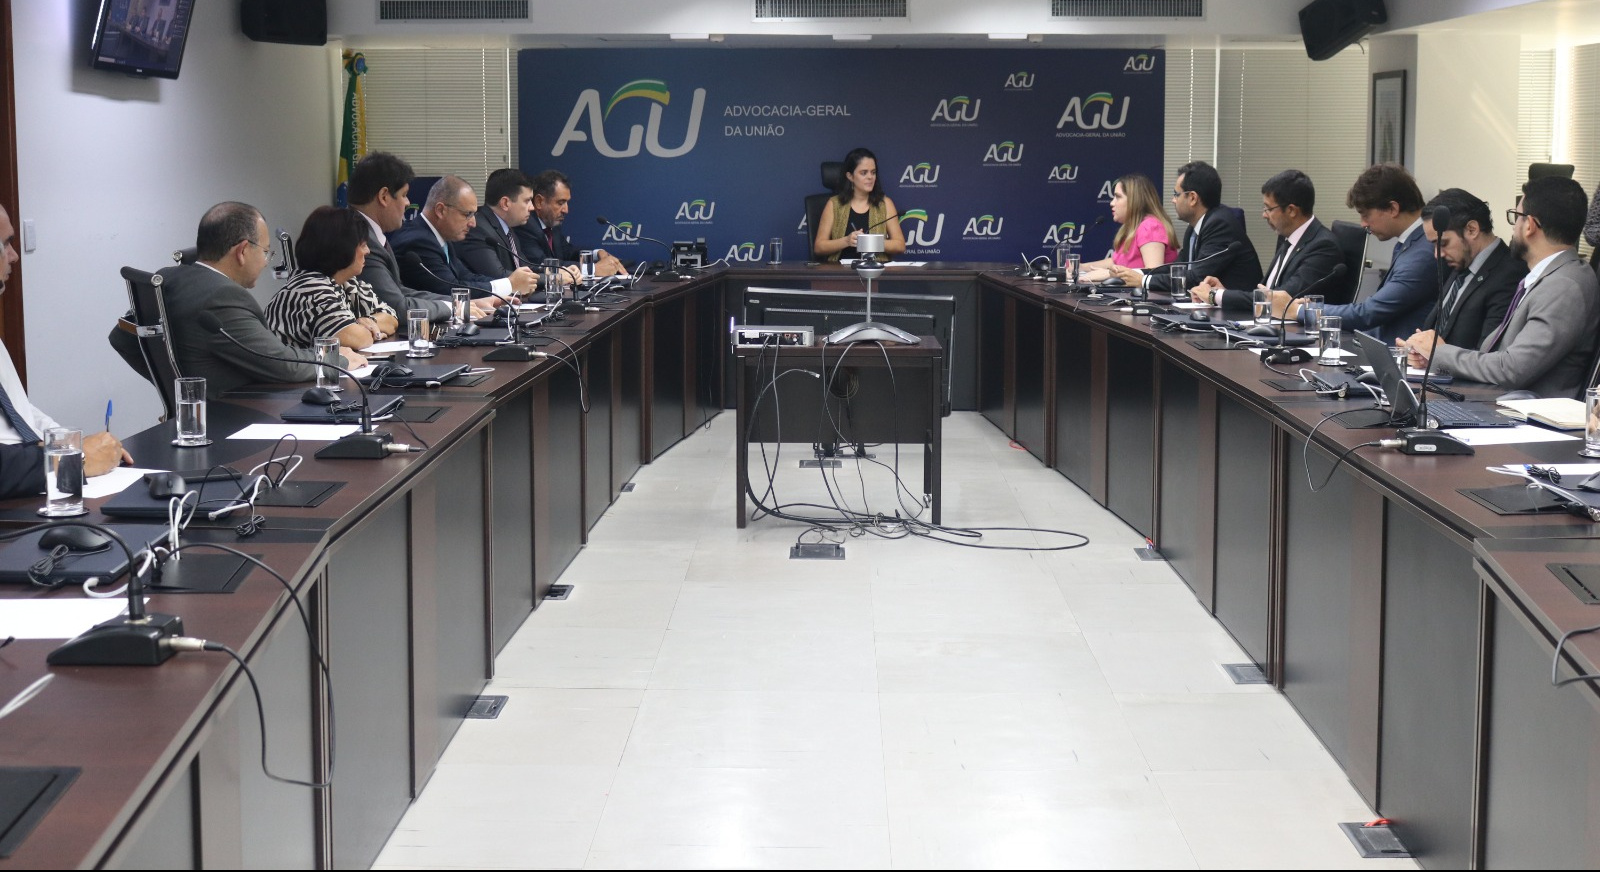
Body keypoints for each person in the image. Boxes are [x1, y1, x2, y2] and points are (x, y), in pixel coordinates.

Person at [109, 201, 361, 398]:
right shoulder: (221, 297)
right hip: (235, 414)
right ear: (242, 251)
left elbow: (121, 338)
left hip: (205, 415)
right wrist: (338, 360)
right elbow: (282, 363)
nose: (266, 262)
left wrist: (175, 392)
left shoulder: (168, 277)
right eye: (265, 252)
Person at [1402, 176, 1599, 399]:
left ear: (1529, 225)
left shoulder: (1563, 286)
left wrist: (1439, 352)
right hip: (1501, 402)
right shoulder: (1550, 276)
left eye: (1516, 217)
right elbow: (1493, 353)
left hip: (1523, 412)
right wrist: (1432, 355)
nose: (1513, 227)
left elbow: (1511, 370)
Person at [3, 205, 129, 496]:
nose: (14, 256)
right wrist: (76, 458)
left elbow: (19, 412)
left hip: (37, 483)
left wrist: (71, 445)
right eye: (6, 244)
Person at [1274, 164, 1436, 343]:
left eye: (1365, 215)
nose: (1363, 224)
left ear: (1393, 209)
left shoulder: (1423, 252)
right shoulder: (1412, 243)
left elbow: (1369, 313)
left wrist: (1298, 311)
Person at [348, 152, 494, 328]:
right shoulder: (359, 240)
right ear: (384, 196)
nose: (408, 203)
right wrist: (454, 308)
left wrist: (462, 303)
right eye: (404, 195)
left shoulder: (370, 234)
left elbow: (400, 292)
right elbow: (396, 306)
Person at [1108, 160, 1262, 295]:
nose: (1173, 200)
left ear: (1193, 198)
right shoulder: (1194, 228)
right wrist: (1132, 273)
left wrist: (1143, 280)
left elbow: (1196, 277)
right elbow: (1176, 268)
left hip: (1239, 312)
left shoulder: (1220, 225)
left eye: (1176, 194)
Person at [1196, 169, 1340, 309]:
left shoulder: (1323, 247)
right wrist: (1225, 291)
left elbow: (1280, 299)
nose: (1264, 215)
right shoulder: (1287, 237)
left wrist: (1216, 295)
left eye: (1268, 209)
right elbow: (1265, 292)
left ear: (1291, 210)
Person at [265, 206, 398, 351]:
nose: (368, 251)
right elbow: (358, 339)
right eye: (363, 245)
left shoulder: (347, 283)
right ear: (343, 248)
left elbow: (391, 318)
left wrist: (370, 321)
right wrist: (367, 328)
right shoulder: (310, 287)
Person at [392, 175, 539, 300]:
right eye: (467, 214)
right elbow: (450, 289)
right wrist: (509, 285)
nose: (473, 223)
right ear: (440, 210)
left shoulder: (441, 236)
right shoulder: (418, 241)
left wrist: (510, 282)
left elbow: (466, 277)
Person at [1410, 189, 1524, 350]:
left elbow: (1489, 354)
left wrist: (1437, 353)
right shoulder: (1462, 262)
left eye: (1443, 243)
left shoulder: (1510, 274)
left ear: (1472, 229)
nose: (1437, 254)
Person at [513, 169, 625, 276]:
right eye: (560, 203)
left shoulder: (552, 224)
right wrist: (593, 269)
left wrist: (597, 253)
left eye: (566, 202)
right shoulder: (525, 226)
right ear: (539, 202)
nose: (566, 210)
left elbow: (568, 253)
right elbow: (542, 265)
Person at [812, 148, 908, 263]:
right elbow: (819, 247)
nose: (870, 177)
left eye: (873, 172)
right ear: (850, 176)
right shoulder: (834, 204)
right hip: (840, 270)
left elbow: (900, 245)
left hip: (875, 270)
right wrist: (846, 241)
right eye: (864, 173)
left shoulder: (885, 203)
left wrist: (871, 242)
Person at [1080, 173, 1178, 283]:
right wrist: (1081, 267)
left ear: (1134, 200)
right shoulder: (1131, 228)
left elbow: (1153, 274)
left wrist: (1109, 274)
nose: (1112, 203)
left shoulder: (1150, 226)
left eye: (1118, 197)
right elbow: (1115, 262)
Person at [460, 168, 537, 280]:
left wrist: (554, 273)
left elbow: (525, 268)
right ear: (505, 203)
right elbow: (498, 276)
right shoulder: (478, 229)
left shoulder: (507, 229)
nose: (532, 207)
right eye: (527, 201)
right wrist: (551, 278)